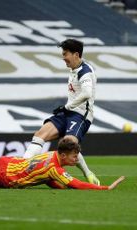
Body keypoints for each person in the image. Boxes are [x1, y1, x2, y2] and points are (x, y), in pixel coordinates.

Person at [23, 38, 100, 185]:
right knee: (40, 135)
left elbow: (86, 94)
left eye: (65, 54)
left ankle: (88, 173)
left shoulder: (85, 72)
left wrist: (67, 107)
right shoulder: (74, 69)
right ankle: (22, 167)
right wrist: (67, 108)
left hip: (80, 115)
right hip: (68, 111)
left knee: (68, 143)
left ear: (76, 54)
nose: (63, 58)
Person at [0, 137, 125, 190]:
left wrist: (58, 186)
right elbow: (75, 183)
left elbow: (49, 180)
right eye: (74, 156)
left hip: (6, 162)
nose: (76, 159)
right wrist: (105, 188)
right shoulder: (55, 168)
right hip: (9, 178)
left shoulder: (49, 155)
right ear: (63, 155)